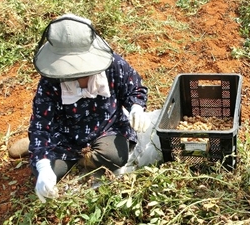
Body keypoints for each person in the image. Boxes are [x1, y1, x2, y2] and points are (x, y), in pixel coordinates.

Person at [18, 14, 151, 202]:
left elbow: (134, 87)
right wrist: (43, 166)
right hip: (64, 136)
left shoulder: (112, 64)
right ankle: (35, 147)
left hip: (106, 127)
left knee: (115, 157)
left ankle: (81, 157)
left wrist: (137, 107)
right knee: (49, 174)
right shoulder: (50, 80)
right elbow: (41, 122)